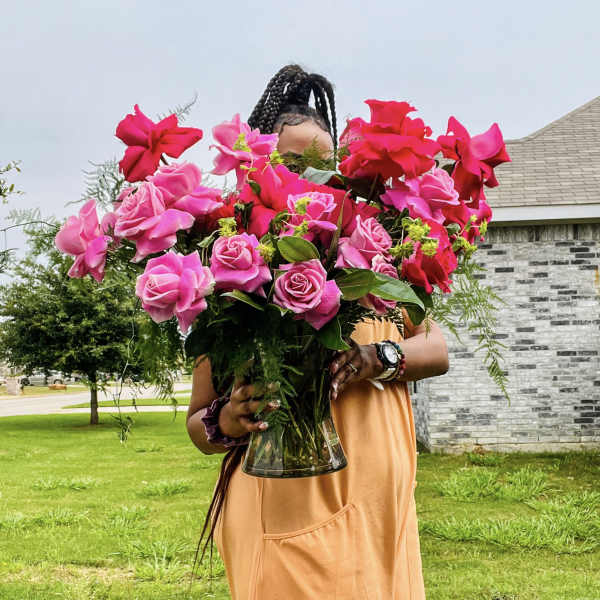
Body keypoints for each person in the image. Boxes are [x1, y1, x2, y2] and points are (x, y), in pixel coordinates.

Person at [186, 64, 450, 600]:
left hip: (383, 515)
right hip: (293, 510)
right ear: (258, 168)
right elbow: (198, 422)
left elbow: (437, 349)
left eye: (325, 165)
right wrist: (229, 418)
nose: (312, 179)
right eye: (292, 164)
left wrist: (379, 359)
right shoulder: (232, 276)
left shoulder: (375, 257)